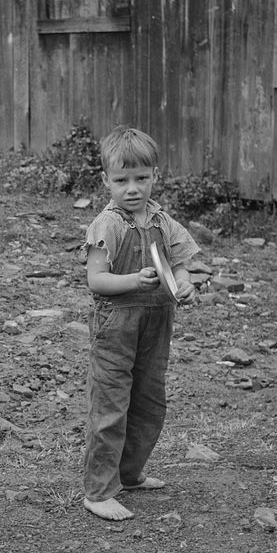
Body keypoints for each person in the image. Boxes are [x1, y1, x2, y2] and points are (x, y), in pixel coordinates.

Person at [80, 127, 201, 521]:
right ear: (106, 181)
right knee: (111, 405)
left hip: (156, 324)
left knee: (149, 403)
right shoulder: (108, 225)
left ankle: (129, 474)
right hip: (116, 325)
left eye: (141, 178)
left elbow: (182, 269)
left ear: (154, 175)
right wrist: (133, 281)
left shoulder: (164, 222)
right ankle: (98, 491)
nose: (132, 188)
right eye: (121, 180)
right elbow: (96, 280)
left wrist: (185, 286)